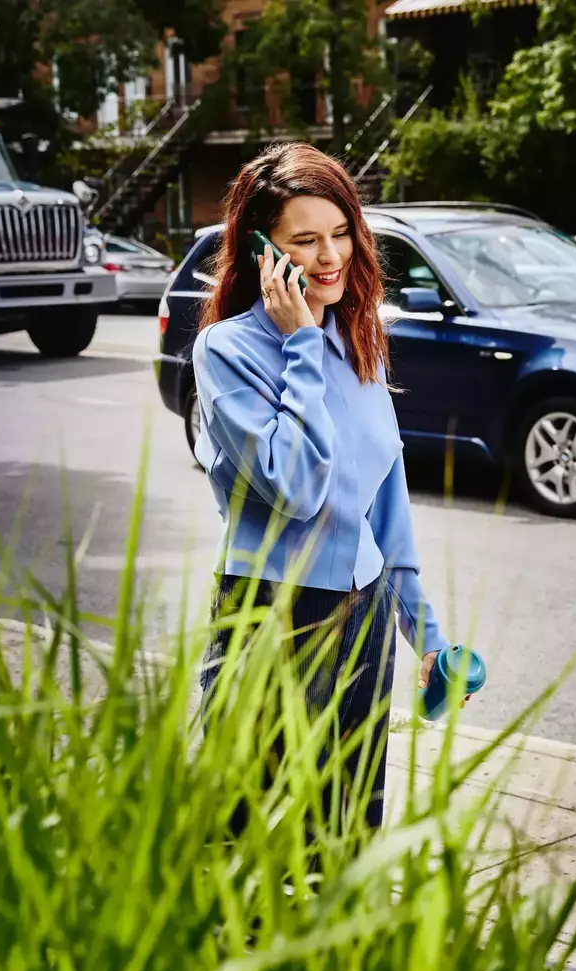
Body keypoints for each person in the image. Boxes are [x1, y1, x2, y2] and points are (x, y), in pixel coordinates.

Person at [191, 141, 454, 833]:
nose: (331, 256)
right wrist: (300, 343)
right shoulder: (227, 351)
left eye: (341, 234)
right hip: (272, 611)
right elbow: (297, 489)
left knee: (347, 823)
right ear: (260, 251)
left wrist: (425, 636)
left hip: (362, 614)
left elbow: (384, 506)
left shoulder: (358, 337)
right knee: (248, 829)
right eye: (304, 241)